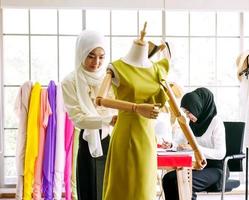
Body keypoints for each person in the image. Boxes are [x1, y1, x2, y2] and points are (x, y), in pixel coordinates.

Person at [96, 24, 170, 200]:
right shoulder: (117, 67)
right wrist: (136, 107)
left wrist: (196, 150)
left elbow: (175, 109)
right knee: (123, 187)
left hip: (147, 136)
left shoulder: (157, 69)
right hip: (126, 133)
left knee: (144, 189)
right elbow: (99, 100)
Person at [61, 30, 116, 200]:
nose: (96, 62)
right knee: (89, 188)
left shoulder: (109, 79)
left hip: (110, 139)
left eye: (101, 56)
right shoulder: (70, 81)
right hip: (88, 140)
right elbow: (78, 118)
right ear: (81, 52)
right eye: (91, 56)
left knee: (109, 189)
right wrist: (107, 119)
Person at [162, 87, 226, 200]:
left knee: (181, 182)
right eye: (185, 112)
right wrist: (171, 145)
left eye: (189, 111)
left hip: (215, 169)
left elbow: (220, 153)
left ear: (198, 107)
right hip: (195, 165)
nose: (187, 115)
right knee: (168, 179)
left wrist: (196, 148)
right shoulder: (191, 123)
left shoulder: (216, 122)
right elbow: (179, 142)